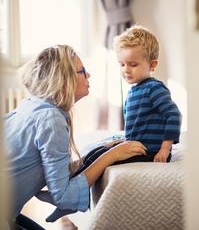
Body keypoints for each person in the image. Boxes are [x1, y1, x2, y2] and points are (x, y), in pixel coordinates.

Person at [4, 45, 146, 229]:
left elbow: (57, 170)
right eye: (82, 71)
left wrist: (102, 149)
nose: (88, 75)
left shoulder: (32, 104)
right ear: (63, 80)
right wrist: (113, 155)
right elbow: (63, 195)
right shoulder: (51, 120)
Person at [113, 25, 182, 162]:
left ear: (152, 65)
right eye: (122, 64)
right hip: (135, 148)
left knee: (104, 157)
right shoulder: (132, 93)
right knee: (101, 149)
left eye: (132, 64)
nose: (126, 70)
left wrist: (164, 149)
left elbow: (174, 115)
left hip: (150, 151)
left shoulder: (154, 88)